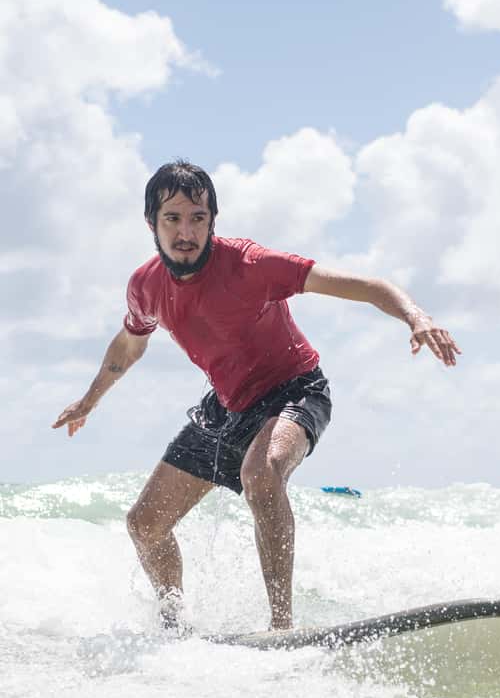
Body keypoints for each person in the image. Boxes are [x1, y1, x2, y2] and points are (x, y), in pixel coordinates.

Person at [53, 160, 461, 632]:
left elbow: (367, 287)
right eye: (173, 219)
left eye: (198, 218)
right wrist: (90, 400)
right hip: (226, 407)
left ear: (213, 220)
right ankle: (174, 628)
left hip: (295, 391)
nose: (186, 232)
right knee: (145, 523)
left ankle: (282, 628)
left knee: (261, 474)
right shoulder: (145, 287)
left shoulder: (251, 265)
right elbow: (129, 345)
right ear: (151, 223)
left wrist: (416, 317)